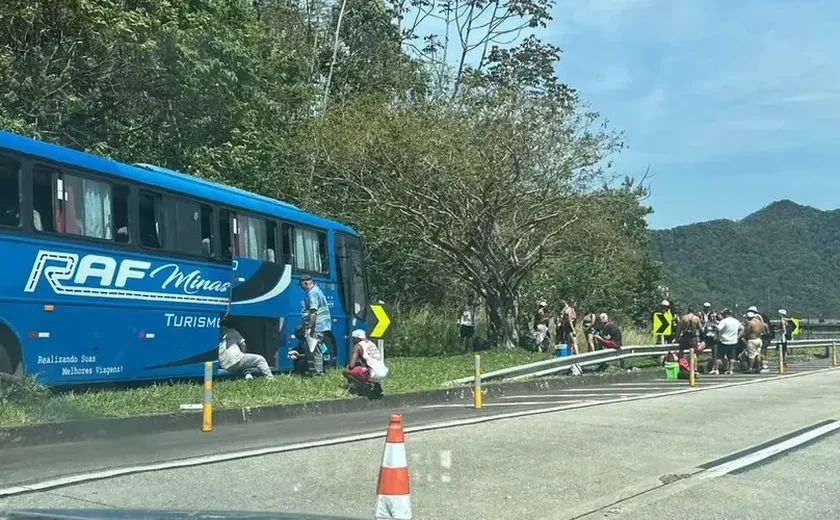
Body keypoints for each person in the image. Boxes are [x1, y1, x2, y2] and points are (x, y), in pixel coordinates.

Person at [299, 274, 332, 375]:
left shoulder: (312, 293)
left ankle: (318, 374)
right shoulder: (317, 290)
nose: (301, 288)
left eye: (301, 285)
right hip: (321, 325)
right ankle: (314, 371)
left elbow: (313, 312)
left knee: (315, 350)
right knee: (312, 348)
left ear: (306, 283)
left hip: (317, 326)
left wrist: (309, 327)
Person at [344, 329, 388, 397]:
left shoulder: (358, 346)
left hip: (372, 374)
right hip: (383, 373)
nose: (352, 341)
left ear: (357, 339)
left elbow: (351, 366)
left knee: (346, 371)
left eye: (353, 339)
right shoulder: (372, 343)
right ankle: (377, 386)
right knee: (365, 368)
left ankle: (362, 387)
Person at [715, 308, 743, 375]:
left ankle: (716, 369)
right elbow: (742, 328)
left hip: (724, 341)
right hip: (733, 341)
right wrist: (737, 336)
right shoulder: (736, 321)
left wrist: (715, 327)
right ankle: (730, 370)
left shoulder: (724, 321)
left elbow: (718, 328)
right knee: (731, 357)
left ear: (725, 314)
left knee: (719, 356)